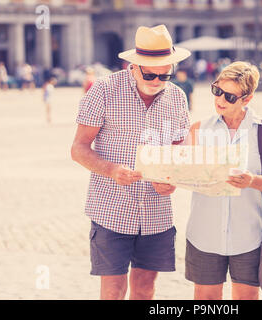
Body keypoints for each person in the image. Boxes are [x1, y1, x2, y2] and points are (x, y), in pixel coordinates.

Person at [70, 24, 191, 300]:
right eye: (150, 73)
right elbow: (78, 148)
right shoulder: (103, 90)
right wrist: (111, 170)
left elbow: (180, 149)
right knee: (113, 292)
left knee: (145, 290)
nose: (158, 80)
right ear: (133, 66)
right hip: (111, 210)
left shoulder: (177, 97)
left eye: (165, 74)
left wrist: (173, 179)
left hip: (157, 214)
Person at [183, 61, 262, 300]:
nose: (220, 100)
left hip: (248, 235)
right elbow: (180, 172)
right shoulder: (197, 130)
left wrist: (251, 180)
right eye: (217, 91)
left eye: (229, 97)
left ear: (246, 99)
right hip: (203, 233)